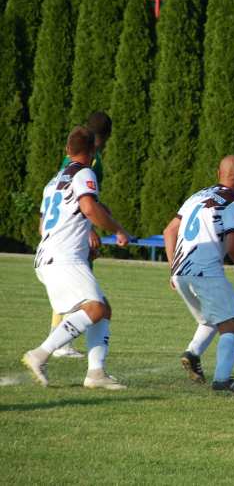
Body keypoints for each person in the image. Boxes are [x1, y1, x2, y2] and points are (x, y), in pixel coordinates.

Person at [22, 126, 130, 389]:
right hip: (64, 258)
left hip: (50, 255)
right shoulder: (85, 173)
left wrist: (82, 239)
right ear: (92, 151)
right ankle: (40, 354)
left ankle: (96, 373)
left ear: (66, 150)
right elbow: (88, 207)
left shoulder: (53, 182)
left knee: (103, 309)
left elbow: (44, 225)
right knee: (94, 309)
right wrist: (117, 228)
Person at [163, 155, 234, 392]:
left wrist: (172, 265)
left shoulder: (197, 196)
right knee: (230, 325)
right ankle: (222, 380)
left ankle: (193, 354)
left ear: (218, 173)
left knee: (210, 317)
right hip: (206, 271)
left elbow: (169, 231)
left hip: (181, 272)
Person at [51, 111, 113, 358]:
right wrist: (91, 229)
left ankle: (60, 342)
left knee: (75, 288)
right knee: (80, 290)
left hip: (68, 229)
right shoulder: (92, 162)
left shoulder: (79, 158)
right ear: (107, 135)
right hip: (72, 233)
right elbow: (80, 200)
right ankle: (58, 343)